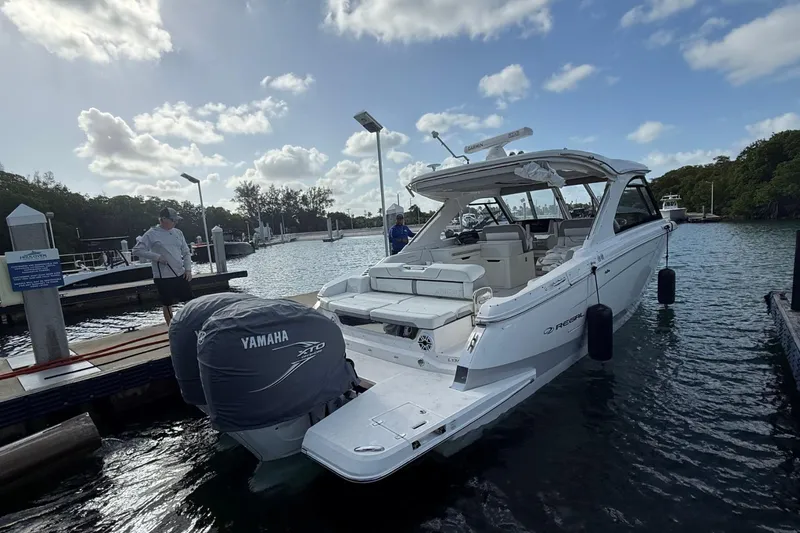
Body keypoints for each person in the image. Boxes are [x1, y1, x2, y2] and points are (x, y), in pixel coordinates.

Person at [132, 207, 194, 325]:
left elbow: (186, 252)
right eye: (173, 220)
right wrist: (157, 257)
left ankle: (191, 325)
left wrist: (188, 269)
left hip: (180, 273)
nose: (175, 223)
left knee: (189, 301)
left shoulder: (178, 233)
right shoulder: (151, 234)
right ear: (163, 219)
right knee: (167, 303)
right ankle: (171, 328)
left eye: (176, 220)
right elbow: (137, 250)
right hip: (163, 276)